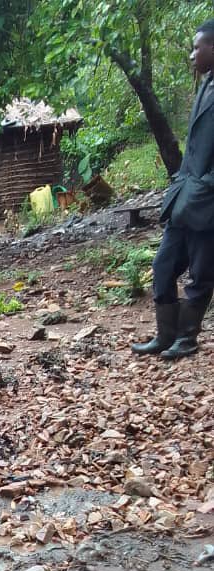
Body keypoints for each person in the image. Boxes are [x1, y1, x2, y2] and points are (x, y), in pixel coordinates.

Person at [133, 20, 214, 359]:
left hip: (207, 202)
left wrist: (206, 186)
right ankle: (165, 335)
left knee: (201, 272)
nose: (192, 54)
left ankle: (187, 338)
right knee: (163, 265)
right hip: (186, 197)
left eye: (198, 47)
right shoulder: (206, 84)